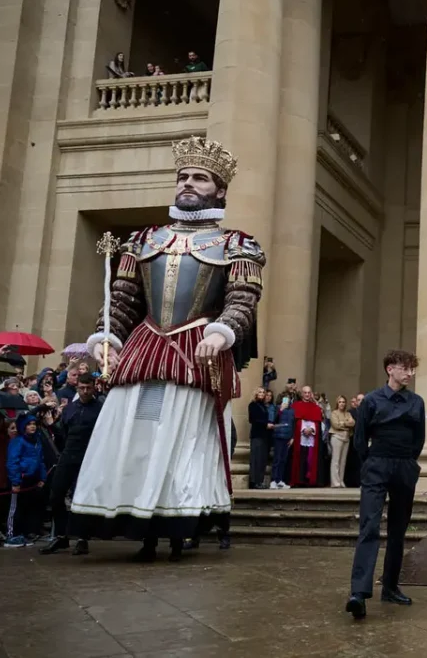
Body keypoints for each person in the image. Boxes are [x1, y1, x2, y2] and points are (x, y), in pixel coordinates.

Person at [72, 136, 265, 562]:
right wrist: (106, 338)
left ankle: (176, 521)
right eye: (183, 177)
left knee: (181, 437)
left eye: (199, 178)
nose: (188, 184)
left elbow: (242, 298)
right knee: (129, 434)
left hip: (197, 348)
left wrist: (223, 331)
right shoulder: (141, 240)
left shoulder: (237, 244)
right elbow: (121, 299)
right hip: (143, 348)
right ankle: (127, 515)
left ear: (220, 190)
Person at [347, 350, 425, 619]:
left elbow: (419, 439)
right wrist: (371, 463)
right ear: (390, 369)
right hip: (377, 463)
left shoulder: (417, 402)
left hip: (404, 465)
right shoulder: (371, 400)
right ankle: (358, 592)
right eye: (406, 368)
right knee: (369, 526)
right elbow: (360, 439)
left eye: (412, 369)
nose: (410, 373)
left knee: (398, 529)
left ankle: (390, 586)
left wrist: (408, 464)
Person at [41, 372, 101, 555]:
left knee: (81, 498)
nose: (84, 391)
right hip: (68, 455)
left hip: (89, 457)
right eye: (81, 388)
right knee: (56, 495)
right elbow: (63, 433)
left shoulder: (100, 409)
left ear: (93, 387)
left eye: (88, 388)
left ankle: (82, 538)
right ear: (77, 388)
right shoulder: (70, 408)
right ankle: (61, 536)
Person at [5, 414, 47, 547]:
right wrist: (15, 481)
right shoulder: (17, 441)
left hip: (32, 479)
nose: (32, 426)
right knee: (16, 508)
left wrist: (42, 477)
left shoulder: (36, 441)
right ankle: (12, 535)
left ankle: (24, 533)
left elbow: (40, 461)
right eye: (29, 424)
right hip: (21, 479)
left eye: (34, 423)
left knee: (28, 507)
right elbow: (12, 462)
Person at [290, 386, 324, 487]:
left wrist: (312, 430)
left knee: (310, 459)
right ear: (301, 394)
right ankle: (298, 480)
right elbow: (295, 422)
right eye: (305, 393)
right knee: (300, 459)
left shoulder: (316, 407)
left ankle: (309, 480)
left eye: (309, 393)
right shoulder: (296, 406)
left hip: (311, 438)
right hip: (300, 437)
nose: (307, 395)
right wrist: (303, 429)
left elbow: (317, 423)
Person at [247, 388, 272, 489]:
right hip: (257, 435)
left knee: (262, 459)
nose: (262, 394)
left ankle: (260, 481)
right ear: (256, 394)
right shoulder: (252, 405)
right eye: (260, 392)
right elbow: (252, 419)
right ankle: (254, 481)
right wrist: (265, 424)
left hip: (264, 435)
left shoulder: (264, 406)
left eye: (263, 392)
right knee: (256, 459)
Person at [329, 396, 354, 488]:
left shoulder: (348, 414)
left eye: (343, 402)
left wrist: (342, 423)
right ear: (337, 403)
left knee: (343, 461)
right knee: (336, 460)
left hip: (346, 438)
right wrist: (346, 424)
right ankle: (335, 482)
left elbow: (353, 423)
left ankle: (341, 480)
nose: (342, 404)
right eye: (340, 402)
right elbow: (336, 425)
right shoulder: (334, 413)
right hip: (336, 437)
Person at [270, 395, 294, 489]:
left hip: (287, 437)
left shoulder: (292, 411)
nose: (286, 402)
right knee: (277, 459)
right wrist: (280, 410)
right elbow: (273, 420)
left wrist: (292, 437)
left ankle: (280, 480)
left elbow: (293, 424)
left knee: (284, 460)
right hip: (278, 436)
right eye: (285, 400)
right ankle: (273, 480)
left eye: (288, 400)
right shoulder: (277, 408)